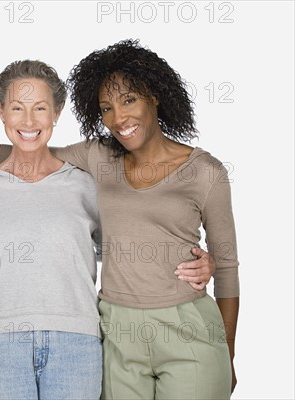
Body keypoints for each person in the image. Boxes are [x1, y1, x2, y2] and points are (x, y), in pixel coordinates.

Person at [57, 39, 239, 398]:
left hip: (190, 330)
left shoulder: (205, 171)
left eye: (128, 100)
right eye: (106, 108)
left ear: (154, 96)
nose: (118, 118)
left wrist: (229, 352)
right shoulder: (98, 155)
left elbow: (228, 268)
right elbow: (29, 156)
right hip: (117, 331)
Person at [0, 60, 103, 399]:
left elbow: (126, 250)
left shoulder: (86, 186)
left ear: (56, 112)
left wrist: (193, 259)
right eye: (17, 108)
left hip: (77, 341)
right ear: (1, 111)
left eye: (40, 108)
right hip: (2, 343)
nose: (28, 121)